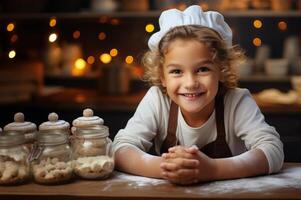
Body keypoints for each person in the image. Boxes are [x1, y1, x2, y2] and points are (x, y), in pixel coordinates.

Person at [112, 5, 284, 185]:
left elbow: (272, 150)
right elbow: (121, 149)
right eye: (177, 71)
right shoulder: (157, 100)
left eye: (203, 69)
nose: (190, 83)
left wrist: (213, 170)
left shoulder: (236, 101)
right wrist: (168, 167)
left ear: (222, 69)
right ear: (162, 76)